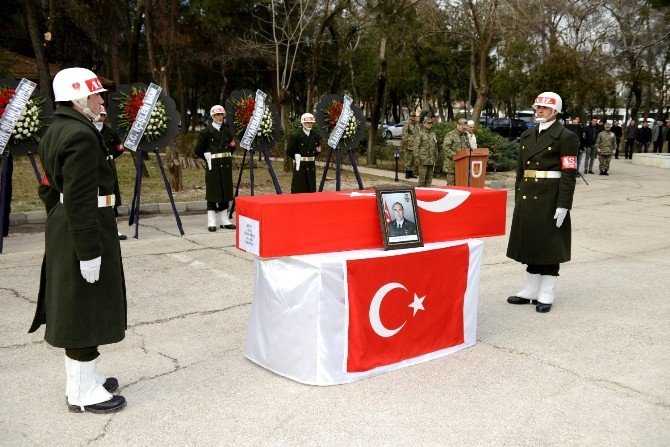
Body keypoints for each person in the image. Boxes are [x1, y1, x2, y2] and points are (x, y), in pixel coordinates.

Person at [29, 67, 127, 413]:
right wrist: (88, 250)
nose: (102, 100)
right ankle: (81, 394)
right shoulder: (80, 136)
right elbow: (81, 196)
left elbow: (46, 185)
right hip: (83, 227)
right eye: (96, 95)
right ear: (77, 98)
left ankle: (83, 378)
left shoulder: (58, 128)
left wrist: (59, 213)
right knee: (85, 308)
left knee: (82, 305)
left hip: (68, 223)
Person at [506, 91, 579, 313]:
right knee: (531, 242)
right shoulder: (528, 135)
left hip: (550, 197)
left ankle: (547, 291)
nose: (540, 110)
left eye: (545, 108)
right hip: (528, 196)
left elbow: (568, 173)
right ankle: (530, 289)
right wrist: (518, 196)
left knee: (549, 244)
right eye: (538, 107)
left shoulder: (566, 137)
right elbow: (521, 170)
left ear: (556, 111)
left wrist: (564, 204)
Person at [195, 105, 237, 231]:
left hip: (225, 165)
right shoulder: (206, 132)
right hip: (213, 166)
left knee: (225, 192)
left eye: (221, 114)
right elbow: (198, 150)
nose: (219, 117)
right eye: (217, 115)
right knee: (213, 193)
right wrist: (207, 157)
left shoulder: (226, 130)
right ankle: (211, 221)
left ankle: (224, 220)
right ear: (212, 116)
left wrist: (233, 147)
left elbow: (229, 146)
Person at [94, 106, 127, 240]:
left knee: (112, 196)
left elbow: (119, 147)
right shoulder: (88, 130)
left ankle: (114, 229)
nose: (101, 117)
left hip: (108, 166)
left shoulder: (110, 132)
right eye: (99, 114)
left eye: (103, 115)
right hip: (93, 166)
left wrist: (110, 155)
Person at [286, 112, 321, 193]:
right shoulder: (296, 135)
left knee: (311, 188)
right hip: (300, 165)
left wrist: (311, 156)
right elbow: (289, 151)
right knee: (300, 187)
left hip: (311, 164)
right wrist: (297, 157)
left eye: (311, 123)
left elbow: (318, 150)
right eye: (307, 122)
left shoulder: (315, 135)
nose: (310, 124)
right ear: (303, 123)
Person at [441, 118, 470, 185]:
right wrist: (457, 156)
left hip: (462, 165)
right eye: (463, 127)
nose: (464, 129)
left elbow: (468, 148)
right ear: (458, 125)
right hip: (451, 166)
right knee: (451, 187)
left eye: (465, 128)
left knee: (460, 186)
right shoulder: (450, 135)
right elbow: (446, 148)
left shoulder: (465, 135)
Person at [416, 116, 437, 187]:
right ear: (424, 124)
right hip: (423, 160)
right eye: (428, 123)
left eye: (431, 123)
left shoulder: (433, 134)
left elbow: (435, 146)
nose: (430, 124)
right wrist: (417, 158)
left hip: (431, 160)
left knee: (429, 181)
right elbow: (416, 147)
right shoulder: (420, 134)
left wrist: (436, 157)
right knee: (422, 180)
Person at [401, 111, 420, 179]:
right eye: (412, 116)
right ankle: (407, 173)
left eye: (414, 116)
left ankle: (411, 173)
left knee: (413, 160)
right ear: (410, 116)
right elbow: (404, 135)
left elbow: (418, 134)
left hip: (415, 145)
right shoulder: (407, 124)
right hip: (409, 145)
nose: (413, 117)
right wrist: (404, 145)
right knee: (408, 159)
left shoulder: (417, 124)